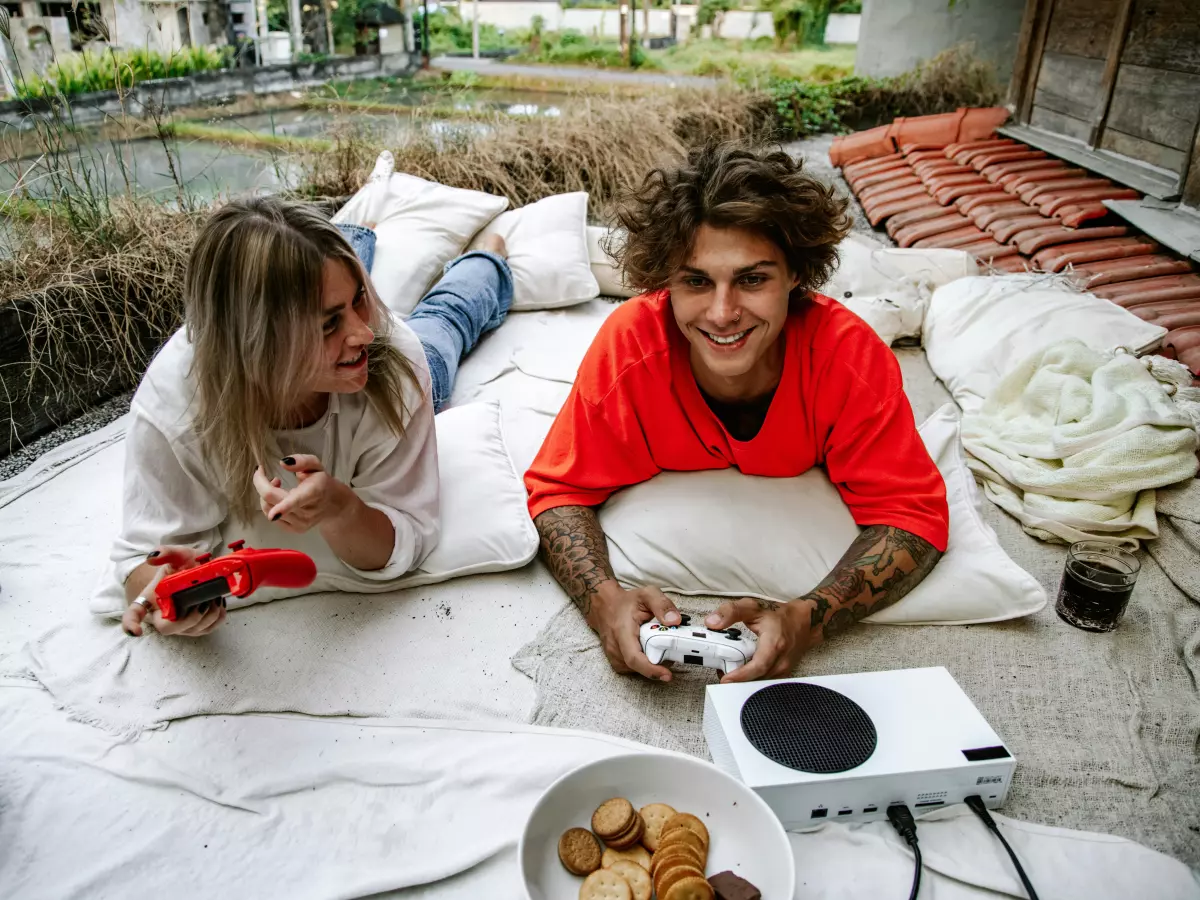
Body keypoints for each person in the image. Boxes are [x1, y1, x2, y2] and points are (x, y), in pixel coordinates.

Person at [525, 142, 949, 684]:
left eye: (752, 279)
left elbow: (913, 516)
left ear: (795, 275)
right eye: (696, 281)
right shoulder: (630, 347)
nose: (723, 314)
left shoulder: (851, 359)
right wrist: (603, 601)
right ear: (666, 283)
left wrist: (807, 618)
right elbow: (558, 491)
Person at [116, 195, 513, 638]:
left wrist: (342, 510)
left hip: (387, 366)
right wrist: (159, 598)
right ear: (255, 344)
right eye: (328, 325)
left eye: (360, 298)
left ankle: (485, 258)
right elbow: (142, 559)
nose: (363, 331)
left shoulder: (391, 352)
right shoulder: (175, 405)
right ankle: (359, 238)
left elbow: (408, 533)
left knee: (444, 321)